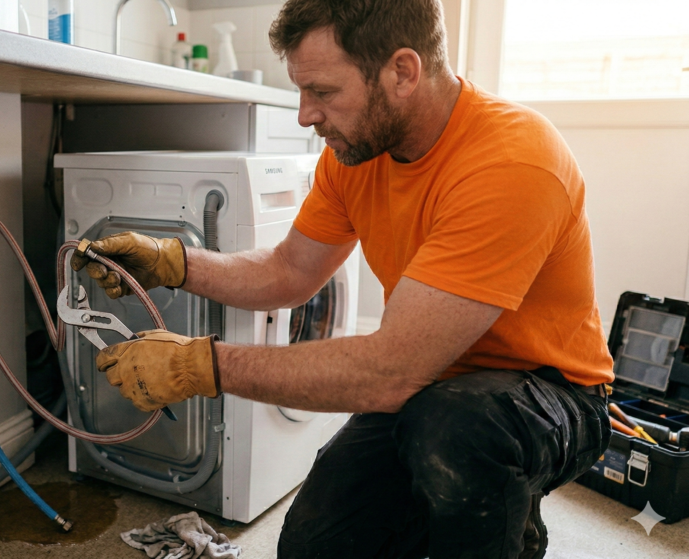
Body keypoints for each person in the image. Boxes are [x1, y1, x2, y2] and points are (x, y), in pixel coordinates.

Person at [70, 0, 614, 557]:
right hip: (430, 380)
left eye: (324, 92)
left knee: (456, 432)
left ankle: (511, 529)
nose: (305, 115)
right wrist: (173, 261)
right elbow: (289, 272)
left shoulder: (512, 160)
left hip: (548, 390)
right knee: (314, 547)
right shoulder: (354, 156)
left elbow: (390, 372)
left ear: (403, 72)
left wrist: (198, 364)